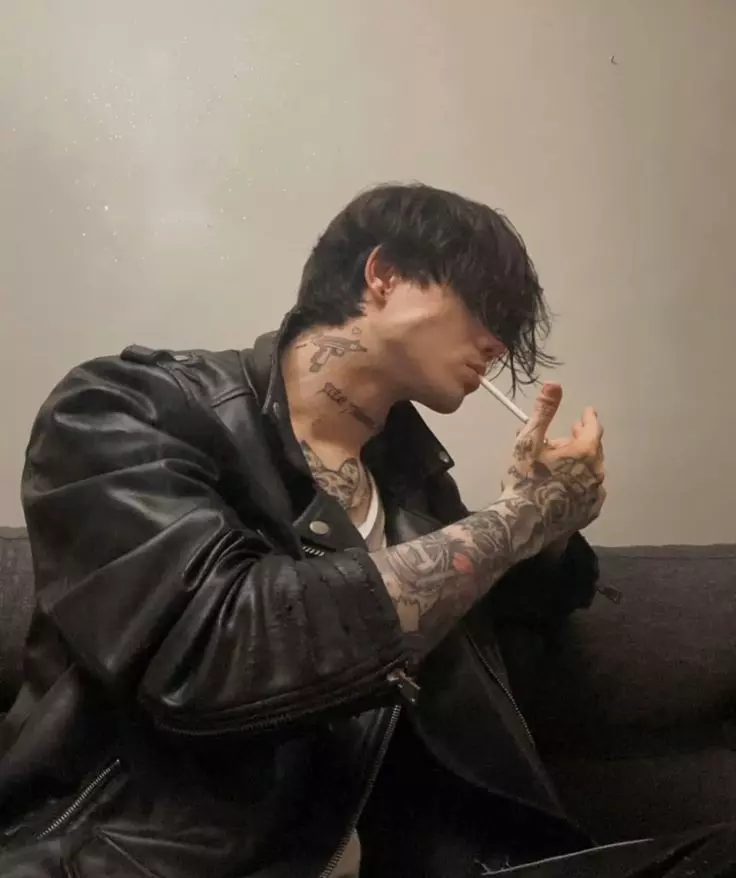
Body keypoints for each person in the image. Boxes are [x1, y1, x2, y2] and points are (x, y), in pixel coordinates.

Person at [0, 183, 730, 878]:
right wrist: (521, 517)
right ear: (383, 275)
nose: (499, 345)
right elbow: (219, 654)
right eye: (485, 306)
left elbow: (521, 608)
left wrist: (547, 519)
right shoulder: (126, 410)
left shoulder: (411, 483)